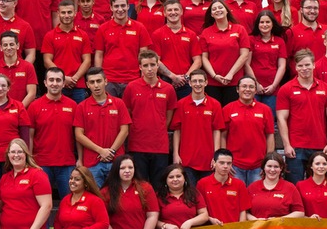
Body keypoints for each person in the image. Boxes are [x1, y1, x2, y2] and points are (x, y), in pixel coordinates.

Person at [276, 50, 327, 182]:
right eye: (300, 66)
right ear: (295, 67)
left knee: (320, 187)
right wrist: (286, 144)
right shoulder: (286, 89)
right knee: (295, 187)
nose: (304, 69)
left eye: (307, 65)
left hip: (320, 146)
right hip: (295, 147)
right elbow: (281, 118)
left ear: (314, 65)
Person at [122, 50, 177, 188]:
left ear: (158, 65)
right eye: (146, 65)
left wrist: (159, 129)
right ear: (140, 67)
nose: (150, 69)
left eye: (153, 64)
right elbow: (127, 113)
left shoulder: (168, 89)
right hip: (137, 145)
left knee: (158, 187)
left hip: (160, 146)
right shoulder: (131, 87)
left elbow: (169, 114)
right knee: (139, 186)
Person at [27, 67, 79, 198]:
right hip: (41, 164)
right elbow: (30, 136)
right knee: (40, 205)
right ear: (45, 83)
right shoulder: (34, 106)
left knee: (70, 202)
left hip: (67, 163)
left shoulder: (73, 106)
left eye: (58, 80)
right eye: (51, 80)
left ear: (63, 83)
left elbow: (78, 136)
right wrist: (30, 161)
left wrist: (80, 160)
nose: (54, 83)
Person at [73, 69, 131, 188]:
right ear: (87, 85)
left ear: (105, 81)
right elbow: (78, 135)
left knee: (118, 199)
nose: (96, 85)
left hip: (116, 161)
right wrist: (101, 150)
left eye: (99, 81)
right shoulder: (81, 107)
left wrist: (111, 151)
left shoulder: (119, 103)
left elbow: (124, 130)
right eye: (92, 82)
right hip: (93, 162)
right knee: (96, 199)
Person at [94, 0, 153, 97]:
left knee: (132, 112)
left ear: (127, 6)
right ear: (111, 8)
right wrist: (99, 78)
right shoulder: (103, 29)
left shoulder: (140, 28)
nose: (120, 9)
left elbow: (144, 55)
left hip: (133, 80)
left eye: (122, 6)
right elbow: (99, 55)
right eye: (116, 6)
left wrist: (143, 78)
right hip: (109, 80)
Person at [170, 69, 224, 184]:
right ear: (189, 83)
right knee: (191, 196)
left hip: (208, 160)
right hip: (186, 160)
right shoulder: (181, 104)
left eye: (200, 81)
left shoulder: (215, 104)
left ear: (206, 82)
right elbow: (177, 130)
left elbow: (217, 131)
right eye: (194, 81)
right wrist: (176, 154)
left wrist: (216, 156)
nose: (197, 84)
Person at [222, 77, 275, 185]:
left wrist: (267, 162)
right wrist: (226, 162)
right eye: (244, 86)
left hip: (258, 166)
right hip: (235, 165)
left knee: (256, 200)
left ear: (256, 90)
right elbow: (222, 136)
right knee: (237, 199)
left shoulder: (265, 110)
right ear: (237, 89)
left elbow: (270, 135)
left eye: (251, 87)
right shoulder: (227, 109)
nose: (247, 89)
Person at [40, 0, 93, 103]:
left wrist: (75, 78)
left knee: (79, 116)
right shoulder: (50, 36)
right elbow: (47, 61)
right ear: (58, 13)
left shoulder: (83, 35)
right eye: (63, 12)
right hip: (58, 84)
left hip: (78, 85)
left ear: (75, 13)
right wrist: (63, 78)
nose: (66, 15)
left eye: (69, 12)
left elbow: (87, 61)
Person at [200, 0, 250, 106]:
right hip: (212, 82)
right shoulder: (206, 33)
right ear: (211, 15)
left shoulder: (239, 29)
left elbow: (244, 55)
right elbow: (204, 58)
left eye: (220, 7)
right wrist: (214, 75)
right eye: (214, 9)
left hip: (234, 81)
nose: (218, 10)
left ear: (227, 11)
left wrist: (230, 75)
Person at [151, 0, 202, 100]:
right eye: (169, 10)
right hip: (165, 81)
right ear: (164, 13)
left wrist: (185, 77)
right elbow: (156, 60)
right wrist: (173, 76)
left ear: (181, 12)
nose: (173, 13)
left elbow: (198, 60)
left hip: (186, 82)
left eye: (176, 9)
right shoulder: (157, 34)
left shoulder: (191, 34)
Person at [247, 10, 287, 114]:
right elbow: (246, 64)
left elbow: (282, 66)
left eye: (267, 22)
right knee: (253, 118)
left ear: (273, 23)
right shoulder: (251, 39)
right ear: (257, 24)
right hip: (252, 88)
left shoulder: (279, 41)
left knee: (270, 120)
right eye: (262, 22)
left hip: (272, 89)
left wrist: (274, 85)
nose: (265, 25)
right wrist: (256, 84)